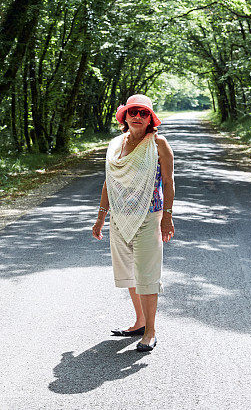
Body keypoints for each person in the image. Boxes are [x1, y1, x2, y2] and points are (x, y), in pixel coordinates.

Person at [92, 94, 175, 352]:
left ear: (150, 118)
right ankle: (139, 322)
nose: (137, 117)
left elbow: (169, 183)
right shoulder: (116, 144)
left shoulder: (159, 144)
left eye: (143, 113)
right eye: (132, 112)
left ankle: (150, 331)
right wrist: (100, 217)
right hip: (120, 218)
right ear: (124, 116)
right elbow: (109, 181)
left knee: (147, 276)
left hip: (150, 217)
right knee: (129, 274)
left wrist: (167, 218)